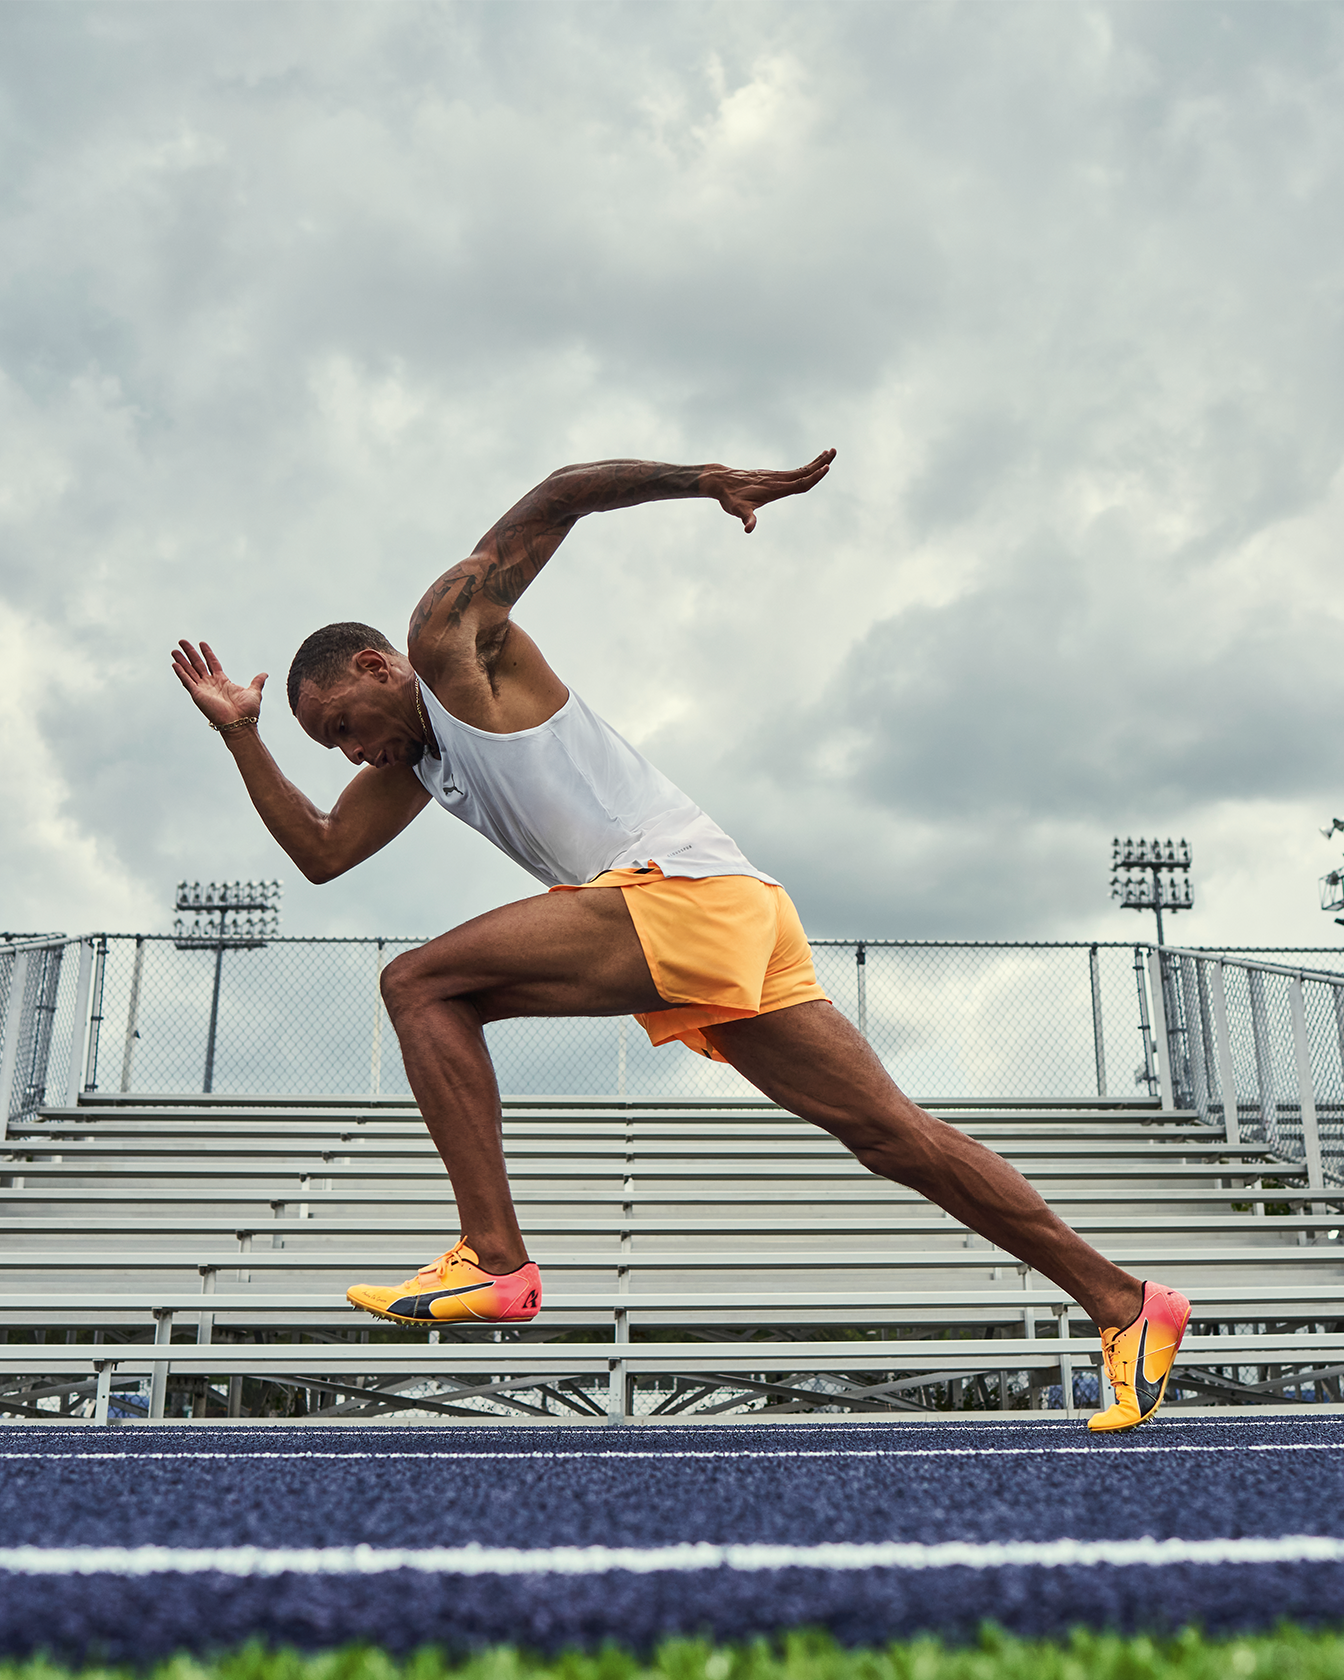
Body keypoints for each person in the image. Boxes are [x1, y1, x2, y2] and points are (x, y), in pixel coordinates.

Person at [172, 450, 1188, 1431]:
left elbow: (562, 493)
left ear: (374, 665)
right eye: (336, 747)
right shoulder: (414, 763)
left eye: (347, 725)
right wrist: (240, 734)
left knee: (419, 985)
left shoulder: (445, 642)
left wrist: (705, 481)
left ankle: (494, 1258)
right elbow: (319, 849)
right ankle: (1124, 1303)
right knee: (893, 1137)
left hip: (681, 891)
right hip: (724, 905)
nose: (356, 751)